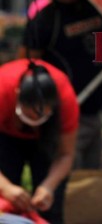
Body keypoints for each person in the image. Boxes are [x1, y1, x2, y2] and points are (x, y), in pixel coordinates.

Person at [20, 0, 102, 169]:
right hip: (66, 110)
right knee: (70, 172)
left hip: (94, 107)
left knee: (93, 173)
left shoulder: (95, 9)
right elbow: (25, 63)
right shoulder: (44, 20)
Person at [0, 59, 79, 224]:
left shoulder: (66, 99)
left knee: (50, 205)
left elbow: (66, 154)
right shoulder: (2, 89)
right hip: (5, 137)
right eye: (28, 116)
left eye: (39, 117)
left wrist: (48, 186)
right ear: (17, 96)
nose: (32, 123)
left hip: (47, 141)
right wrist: (5, 186)